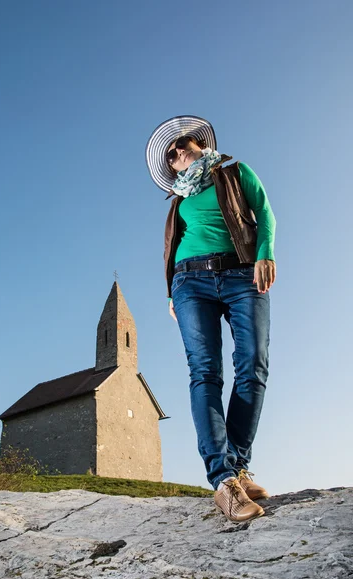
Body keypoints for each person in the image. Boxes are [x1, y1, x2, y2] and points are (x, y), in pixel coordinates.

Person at [145, 115, 276, 522]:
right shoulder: (178, 200)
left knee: (253, 365)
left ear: (196, 141)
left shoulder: (235, 171)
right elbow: (171, 248)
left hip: (240, 273)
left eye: (179, 144)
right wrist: (171, 292)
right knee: (205, 373)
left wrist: (265, 252)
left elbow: (264, 211)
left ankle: (237, 465)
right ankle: (224, 481)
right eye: (169, 155)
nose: (175, 153)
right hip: (190, 282)